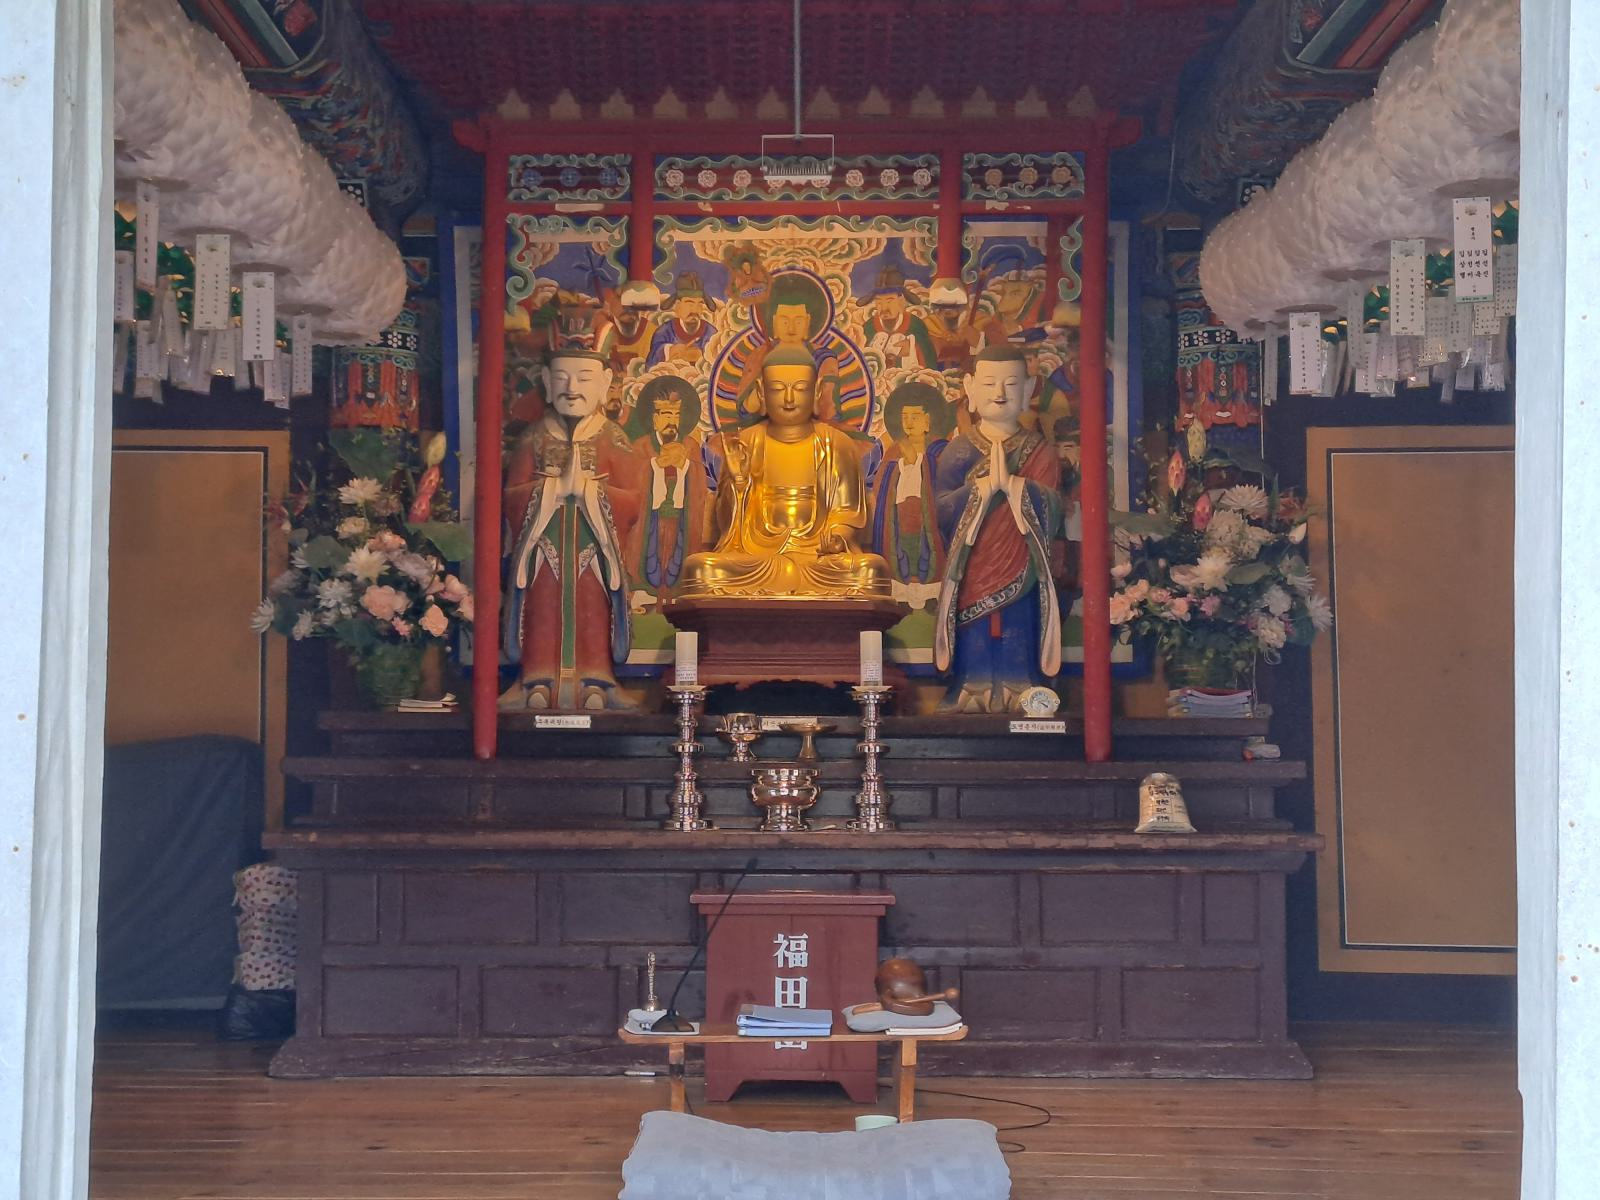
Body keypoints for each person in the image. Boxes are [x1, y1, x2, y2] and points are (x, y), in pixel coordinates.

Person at [677, 345, 889, 599]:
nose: (789, 398)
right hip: (757, 554)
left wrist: (837, 539)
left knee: (870, 570)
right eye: (777, 389)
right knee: (701, 569)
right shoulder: (746, 443)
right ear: (761, 392)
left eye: (800, 389)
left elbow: (847, 514)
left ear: (816, 391)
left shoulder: (838, 445)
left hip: (817, 558)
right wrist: (738, 482)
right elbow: (727, 528)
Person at [501, 337, 644, 711]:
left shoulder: (613, 437)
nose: (572, 387)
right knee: (543, 607)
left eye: (584, 377)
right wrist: (552, 489)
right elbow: (511, 496)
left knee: (593, 608)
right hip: (543, 547)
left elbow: (633, 500)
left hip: (594, 548)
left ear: (604, 383)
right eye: (562, 377)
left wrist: (588, 491)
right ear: (547, 381)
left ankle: (597, 680)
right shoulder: (534, 437)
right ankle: (537, 678)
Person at [934, 346, 1065, 712]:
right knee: (972, 623)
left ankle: (1019, 683)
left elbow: (1054, 507)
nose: (1000, 393)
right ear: (971, 388)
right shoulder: (959, 450)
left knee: (1018, 619)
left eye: (1011, 383)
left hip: (1021, 558)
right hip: (973, 559)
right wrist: (981, 489)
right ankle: (972, 684)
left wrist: (1015, 486)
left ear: (1028, 389)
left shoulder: (1039, 451)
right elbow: (940, 509)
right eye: (990, 383)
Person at [626, 376, 708, 611]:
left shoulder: (690, 446)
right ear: (654, 418)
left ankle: (677, 599)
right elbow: (632, 483)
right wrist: (655, 466)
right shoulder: (641, 447)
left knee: (678, 562)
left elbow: (699, 485)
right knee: (649, 561)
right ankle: (645, 597)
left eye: (676, 415)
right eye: (665, 414)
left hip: (680, 520)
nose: (671, 421)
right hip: (650, 521)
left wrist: (685, 467)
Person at [871, 381, 949, 609]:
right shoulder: (895, 450)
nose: (909, 422)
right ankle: (903, 596)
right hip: (900, 517)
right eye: (905, 417)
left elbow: (948, 481)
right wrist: (899, 465)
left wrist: (920, 461)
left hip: (930, 518)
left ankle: (931, 596)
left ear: (928, 420)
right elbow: (881, 485)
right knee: (901, 551)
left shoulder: (940, 450)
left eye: (915, 416)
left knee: (929, 552)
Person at [862, 266, 935, 369]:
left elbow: (929, 358)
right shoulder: (868, 327)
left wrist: (912, 348)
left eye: (890, 301)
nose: (884, 308)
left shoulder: (915, 325)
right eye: (879, 302)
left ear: (901, 301)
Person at [646, 274, 714, 366]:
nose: (694, 310)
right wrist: (669, 350)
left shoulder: (711, 333)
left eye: (700, 304)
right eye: (689, 304)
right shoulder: (664, 331)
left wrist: (701, 356)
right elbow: (651, 363)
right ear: (677, 306)